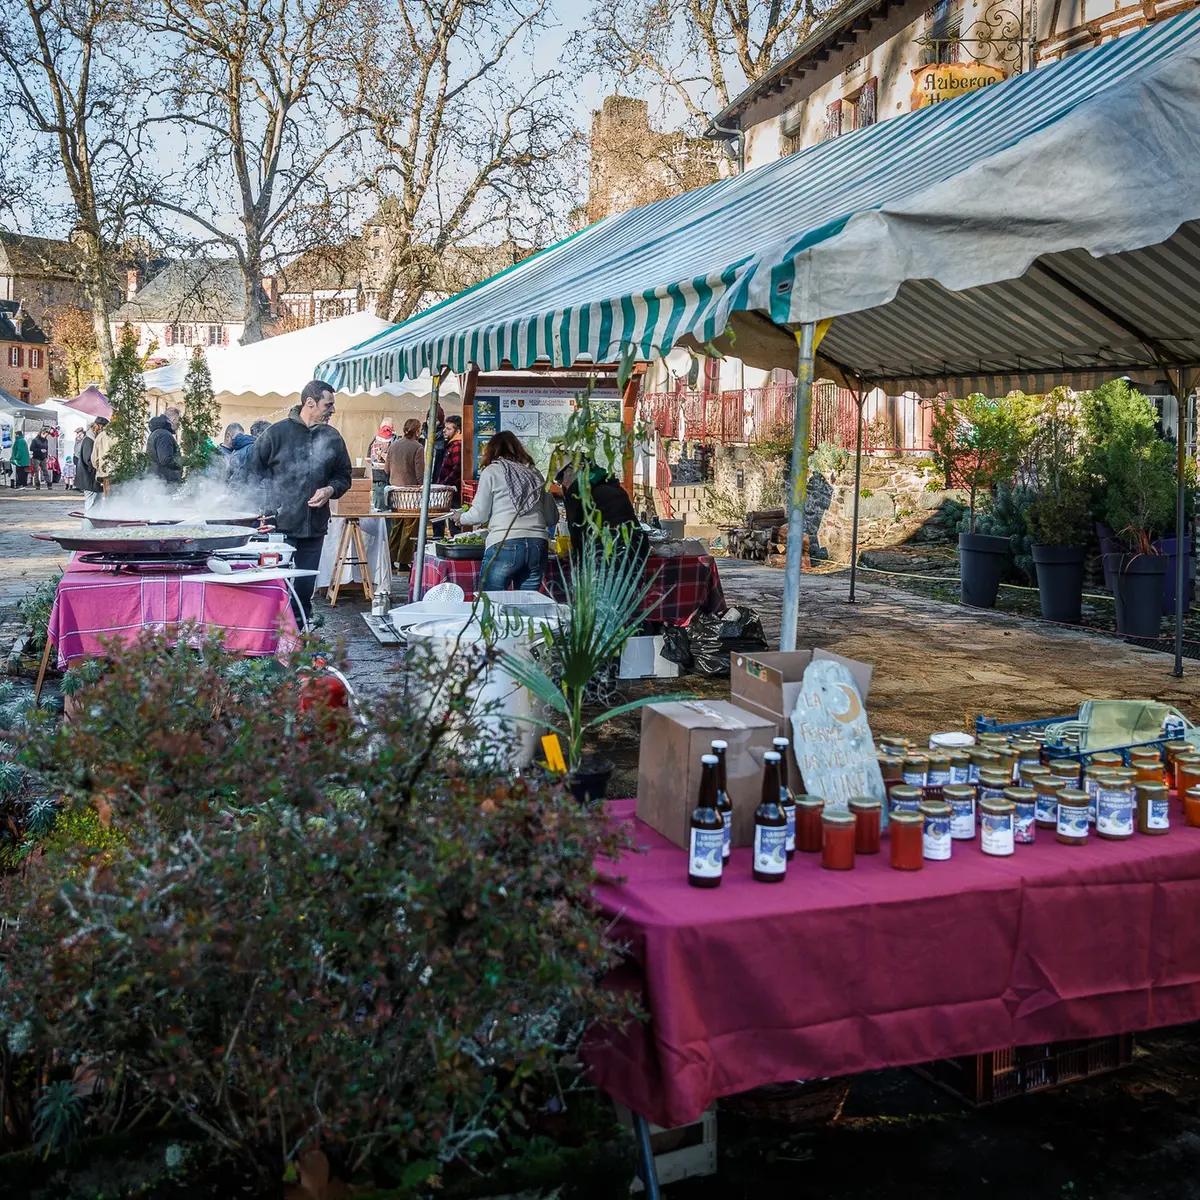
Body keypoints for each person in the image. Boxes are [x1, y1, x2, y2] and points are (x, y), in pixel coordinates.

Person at [249, 379, 352, 622]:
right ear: (310, 403)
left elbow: (343, 476)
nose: (333, 410)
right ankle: (272, 633)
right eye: (328, 404)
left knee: (305, 587)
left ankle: (301, 632)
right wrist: (265, 504)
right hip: (277, 527)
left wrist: (330, 489)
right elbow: (250, 474)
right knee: (276, 585)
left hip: (314, 526)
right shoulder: (276, 433)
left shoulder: (333, 437)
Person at [455, 431, 558, 592]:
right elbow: (552, 517)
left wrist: (460, 518)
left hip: (504, 542)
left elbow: (479, 514)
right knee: (525, 607)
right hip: (538, 545)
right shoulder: (535, 474)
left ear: (491, 450)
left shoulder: (492, 471)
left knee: (491, 603)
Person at [555, 459, 648, 564]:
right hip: (636, 546)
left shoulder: (578, 491)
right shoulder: (610, 483)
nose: (562, 485)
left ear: (568, 474)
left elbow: (577, 529)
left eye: (560, 481)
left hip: (608, 551)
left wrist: (578, 560)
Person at [386, 418, 423, 568]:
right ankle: (404, 561)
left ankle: (390, 558)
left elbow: (386, 469)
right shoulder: (418, 447)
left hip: (395, 492)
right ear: (418, 430)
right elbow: (420, 474)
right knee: (410, 528)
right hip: (411, 493)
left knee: (396, 527)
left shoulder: (393, 445)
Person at [75, 417, 107, 510]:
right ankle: (89, 522)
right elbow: (88, 459)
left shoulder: (91, 438)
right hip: (88, 476)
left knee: (96, 502)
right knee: (91, 503)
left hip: (91, 476)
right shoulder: (89, 440)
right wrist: (99, 467)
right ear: (99, 427)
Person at [147, 407, 183, 484]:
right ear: (173, 419)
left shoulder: (157, 433)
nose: (178, 425)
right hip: (165, 482)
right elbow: (166, 460)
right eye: (178, 421)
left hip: (157, 480)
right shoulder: (164, 435)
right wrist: (183, 462)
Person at [368, 420, 395, 511]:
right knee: (380, 505)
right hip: (379, 478)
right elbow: (372, 458)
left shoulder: (395, 441)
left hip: (391, 479)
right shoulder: (375, 441)